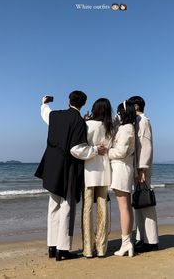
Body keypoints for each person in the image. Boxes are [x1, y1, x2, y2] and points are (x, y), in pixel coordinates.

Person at [35, 91, 104, 261]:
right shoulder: (79, 121)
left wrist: (43, 102)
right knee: (67, 207)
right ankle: (62, 249)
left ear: (68, 100)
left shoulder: (56, 115)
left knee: (53, 205)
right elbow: (76, 149)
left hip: (51, 166)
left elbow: (45, 113)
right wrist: (95, 150)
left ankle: (52, 246)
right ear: (83, 104)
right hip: (68, 168)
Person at [71, 98, 114, 258]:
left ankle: (88, 248)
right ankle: (102, 247)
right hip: (104, 170)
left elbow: (78, 149)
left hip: (89, 170)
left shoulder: (88, 125)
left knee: (87, 209)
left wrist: (94, 149)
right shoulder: (111, 127)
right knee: (102, 209)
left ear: (95, 109)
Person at [128, 95, 159, 252]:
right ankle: (142, 238)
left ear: (135, 106)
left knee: (146, 204)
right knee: (139, 204)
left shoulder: (144, 121)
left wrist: (142, 169)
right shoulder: (138, 121)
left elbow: (146, 147)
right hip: (138, 168)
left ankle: (151, 241)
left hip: (142, 170)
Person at [108, 100, 136, 257]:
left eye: (119, 111)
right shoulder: (126, 127)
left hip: (121, 168)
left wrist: (106, 151)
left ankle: (126, 243)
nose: (117, 114)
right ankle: (127, 242)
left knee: (123, 208)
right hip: (124, 168)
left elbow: (120, 152)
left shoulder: (126, 128)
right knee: (127, 207)